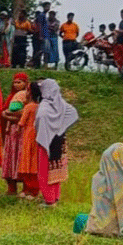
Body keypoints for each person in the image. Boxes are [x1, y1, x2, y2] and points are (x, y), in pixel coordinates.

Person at [74, 143, 123, 238]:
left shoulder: (97, 179)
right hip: (121, 231)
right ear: (120, 161)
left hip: (96, 228)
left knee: (80, 219)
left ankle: (81, 238)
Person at [35, 79, 78, 207]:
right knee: (56, 168)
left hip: (46, 141)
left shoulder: (44, 106)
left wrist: (46, 131)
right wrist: (60, 127)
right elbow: (73, 114)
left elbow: (39, 119)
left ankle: (48, 199)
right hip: (59, 139)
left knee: (45, 170)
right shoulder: (62, 104)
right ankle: (55, 196)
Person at [1, 73, 29, 195]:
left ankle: (26, 188)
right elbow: (6, 111)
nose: (17, 85)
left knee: (20, 157)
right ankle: (11, 188)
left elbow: (24, 113)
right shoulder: (11, 97)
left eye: (20, 82)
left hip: (22, 131)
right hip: (11, 131)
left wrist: (7, 115)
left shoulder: (28, 96)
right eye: (15, 82)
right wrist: (6, 114)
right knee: (11, 157)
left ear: (26, 83)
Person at [16, 81, 41, 199]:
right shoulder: (42, 107)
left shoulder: (29, 107)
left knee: (27, 162)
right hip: (40, 135)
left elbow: (21, 123)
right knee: (36, 162)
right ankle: (35, 190)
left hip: (28, 135)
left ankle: (28, 189)